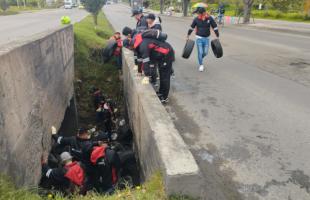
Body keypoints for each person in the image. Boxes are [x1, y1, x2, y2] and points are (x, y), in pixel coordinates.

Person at [131, 33, 175, 103]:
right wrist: (139, 71)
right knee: (161, 75)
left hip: (167, 53)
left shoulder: (143, 46)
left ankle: (164, 97)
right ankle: (161, 92)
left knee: (165, 77)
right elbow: (140, 59)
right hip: (161, 56)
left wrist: (146, 75)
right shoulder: (140, 45)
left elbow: (146, 61)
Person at [187, 7, 219, 72]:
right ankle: (201, 64)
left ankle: (200, 58)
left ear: (204, 13)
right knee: (200, 52)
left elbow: (215, 27)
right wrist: (188, 35)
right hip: (199, 38)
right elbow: (191, 28)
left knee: (205, 52)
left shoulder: (209, 18)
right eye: (198, 13)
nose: (198, 14)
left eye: (199, 13)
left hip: (207, 39)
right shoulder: (196, 19)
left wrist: (217, 35)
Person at [131, 8, 148, 74]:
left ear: (138, 14)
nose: (134, 17)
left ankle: (143, 71)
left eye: (135, 16)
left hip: (143, 41)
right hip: (141, 41)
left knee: (143, 57)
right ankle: (140, 70)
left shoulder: (143, 21)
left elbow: (141, 33)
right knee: (139, 56)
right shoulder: (140, 20)